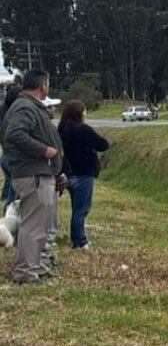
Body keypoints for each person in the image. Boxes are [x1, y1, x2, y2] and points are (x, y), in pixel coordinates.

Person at [1, 70, 66, 285]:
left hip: (38, 173)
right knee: (34, 225)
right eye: (48, 84)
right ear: (42, 85)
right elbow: (15, 134)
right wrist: (44, 150)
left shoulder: (29, 106)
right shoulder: (25, 106)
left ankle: (35, 267)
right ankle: (26, 273)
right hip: (33, 173)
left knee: (39, 225)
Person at [58, 100, 108, 252]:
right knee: (80, 210)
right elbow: (103, 144)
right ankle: (79, 241)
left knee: (75, 208)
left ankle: (75, 238)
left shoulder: (61, 129)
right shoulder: (83, 130)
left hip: (66, 174)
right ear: (79, 113)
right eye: (84, 111)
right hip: (83, 174)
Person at [0, 75, 20, 208]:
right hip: (13, 155)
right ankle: (8, 212)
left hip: (5, 153)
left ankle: (4, 197)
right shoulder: (15, 115)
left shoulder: (3, 111)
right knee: (14, 194)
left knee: (10, 181)